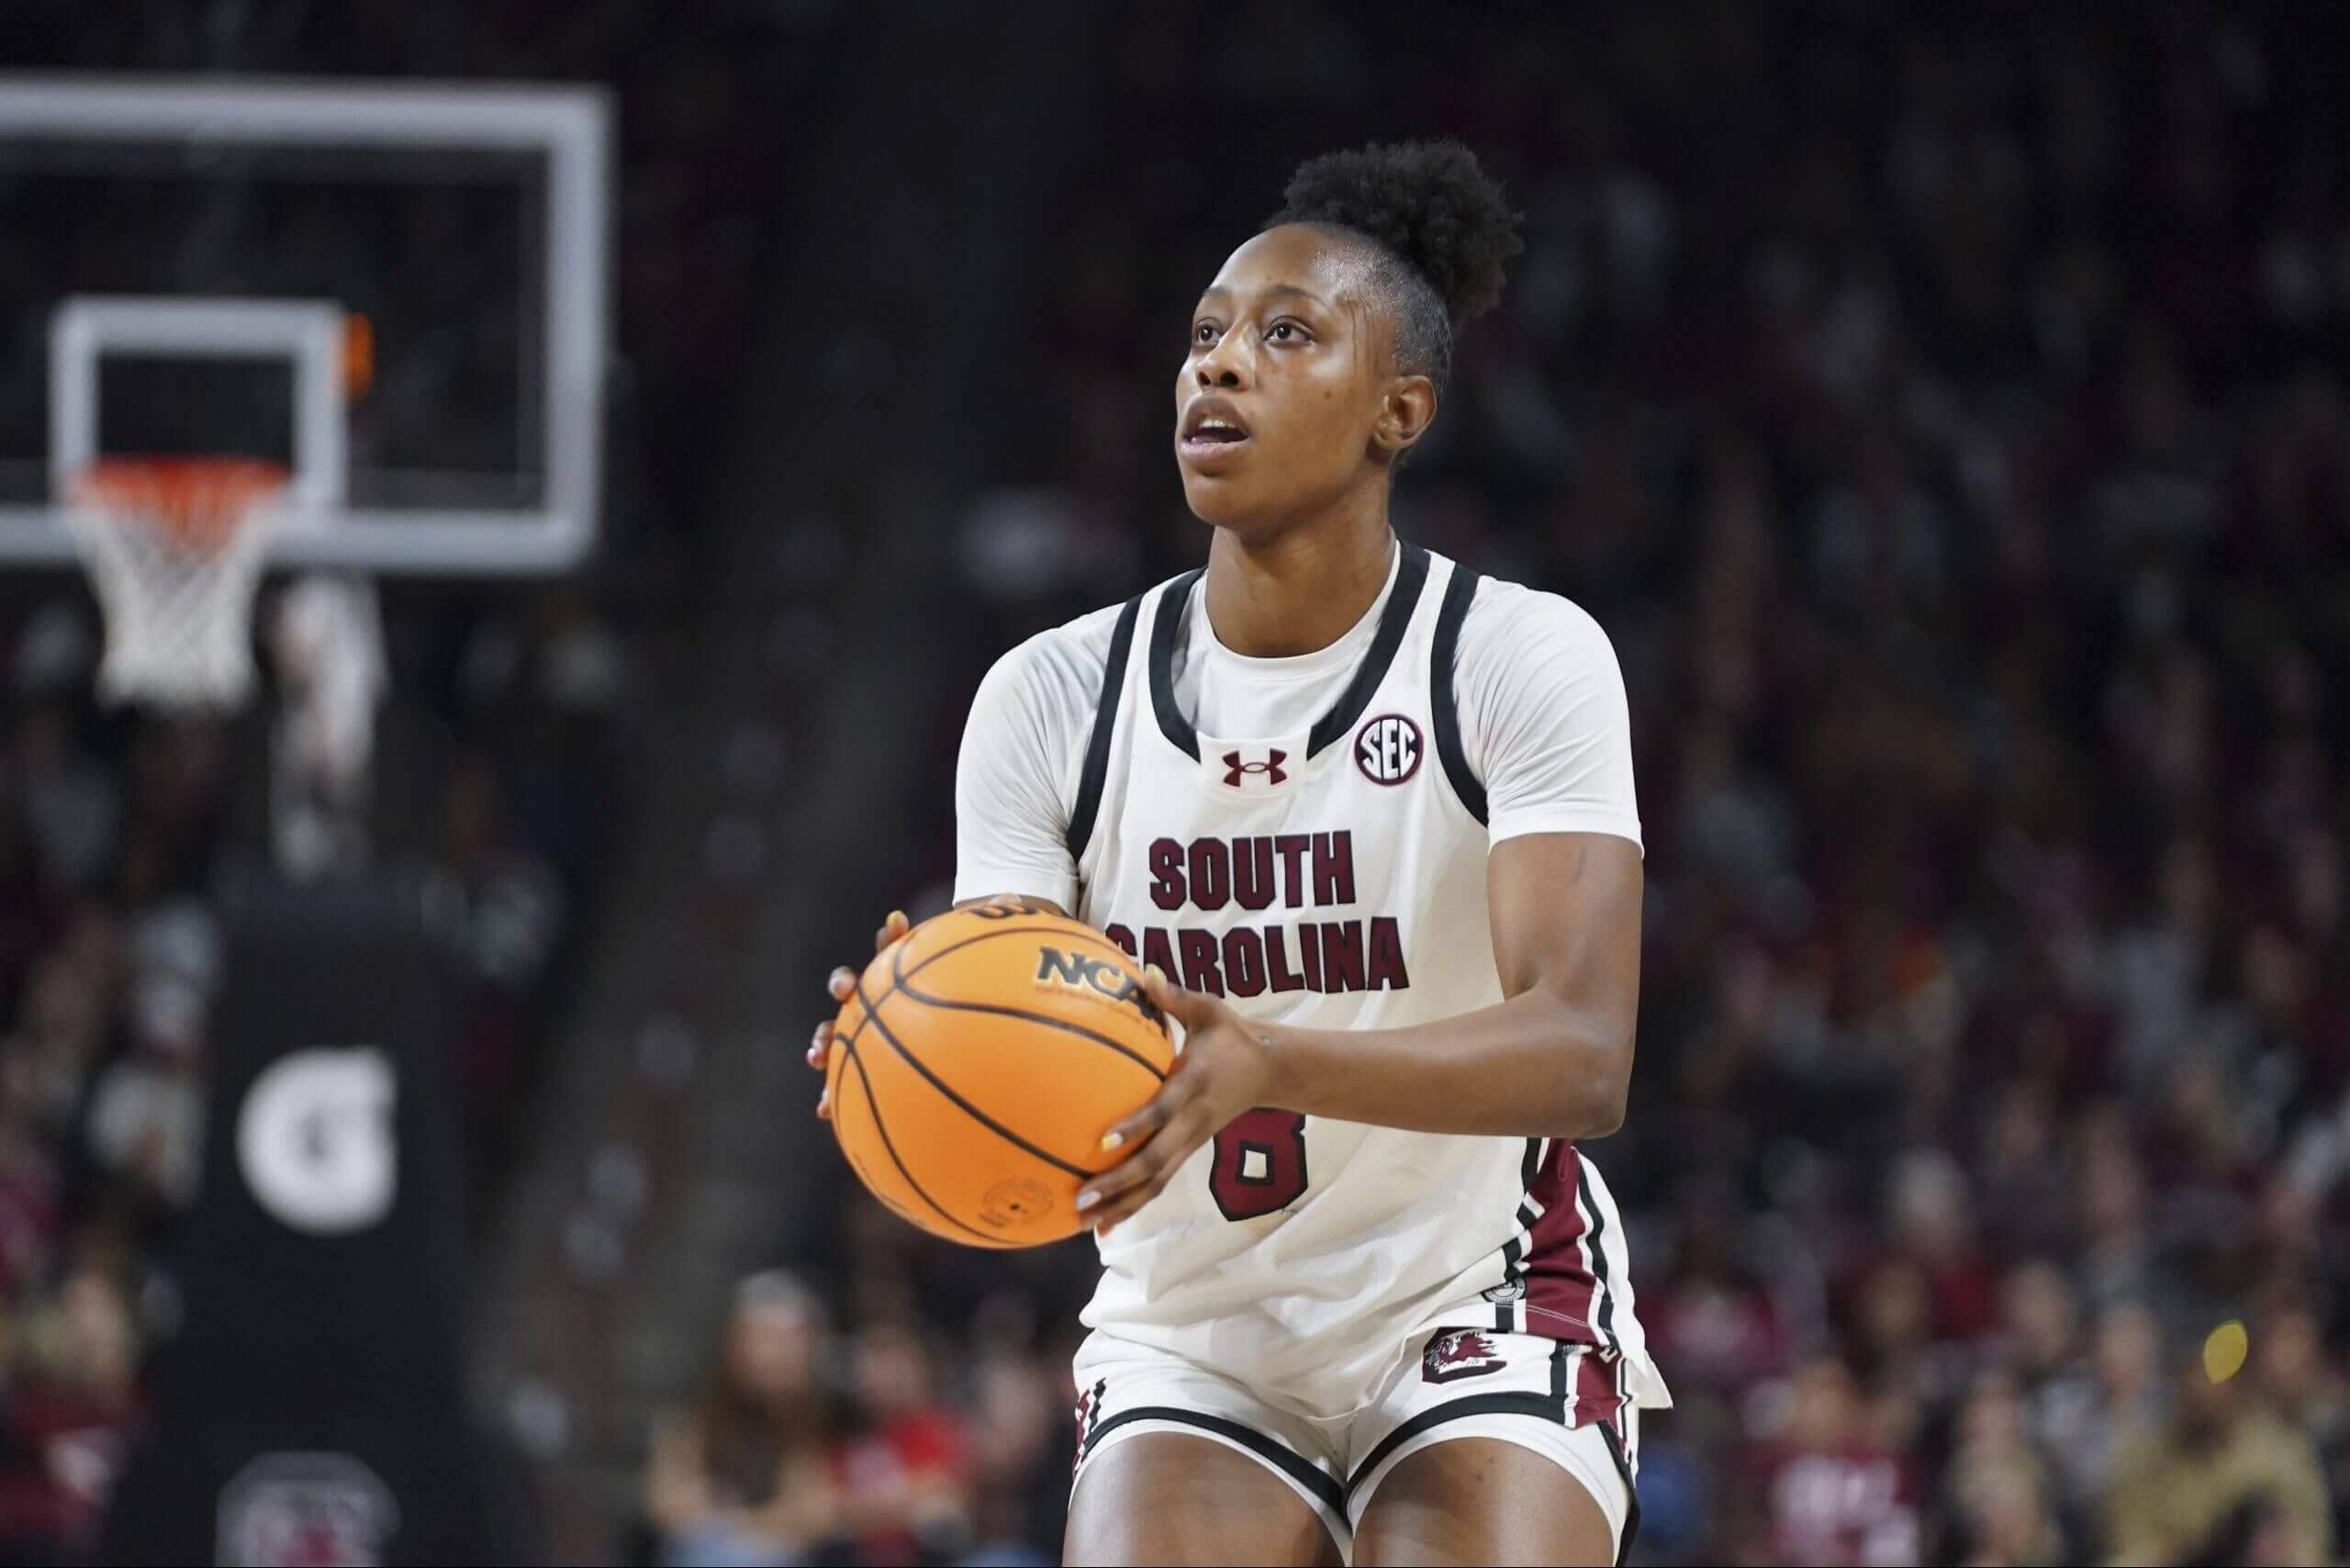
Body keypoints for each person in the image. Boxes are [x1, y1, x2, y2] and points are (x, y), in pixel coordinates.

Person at [809, 140, 1666, 1565]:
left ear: (1401, 408)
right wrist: (915, 1057)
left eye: (1285, 335)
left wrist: (1279, 1060)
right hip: (1195, 1327)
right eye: (1206, 335)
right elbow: (1023, 1046)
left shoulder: (1517, 657)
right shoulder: (1048, 698)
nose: (1220, 366)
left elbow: (1585, 1055)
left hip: (1479, 1292)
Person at [642, 1271, 840, 1568]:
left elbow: (814, 1512)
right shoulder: (699, 1410)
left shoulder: (815, 1415)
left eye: (790, 1341)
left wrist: (747, 1524)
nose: (778, 1354)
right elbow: (665, 1498)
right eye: (765, 1338)